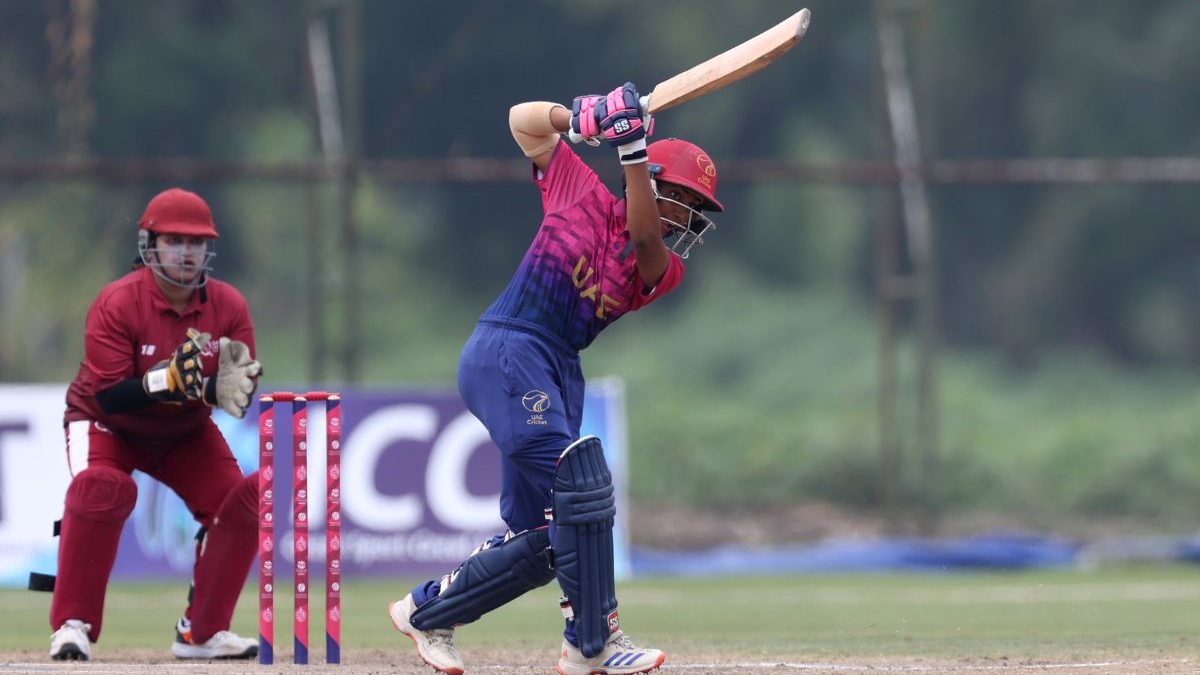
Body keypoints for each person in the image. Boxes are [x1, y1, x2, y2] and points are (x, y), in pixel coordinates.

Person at [387, 82, 723, 675]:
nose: (690, 220)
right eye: (688, 203)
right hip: (508, 348)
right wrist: (582, 120)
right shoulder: (580, 190)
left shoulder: (661, 269)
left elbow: (644, 239)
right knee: (583, 489)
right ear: (656, 186)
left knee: (545, 537)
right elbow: (522, 121)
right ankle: (592, 642)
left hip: (559, 368)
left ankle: (427, 612)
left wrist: (631, 146)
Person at [47, 187, 264, 661]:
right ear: (150, 245)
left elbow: (235, 390)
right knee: (102, 488)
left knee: (243, 503)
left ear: (209, 249)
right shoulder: (117, 302)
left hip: (183, 433)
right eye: (175, 241)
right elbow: (109, 397)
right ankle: (72, 624)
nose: (187, 253)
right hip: (107, 425)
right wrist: (166, 378)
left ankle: (202, 634)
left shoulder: (228, 306)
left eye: (196, 243)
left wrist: (222, 388)